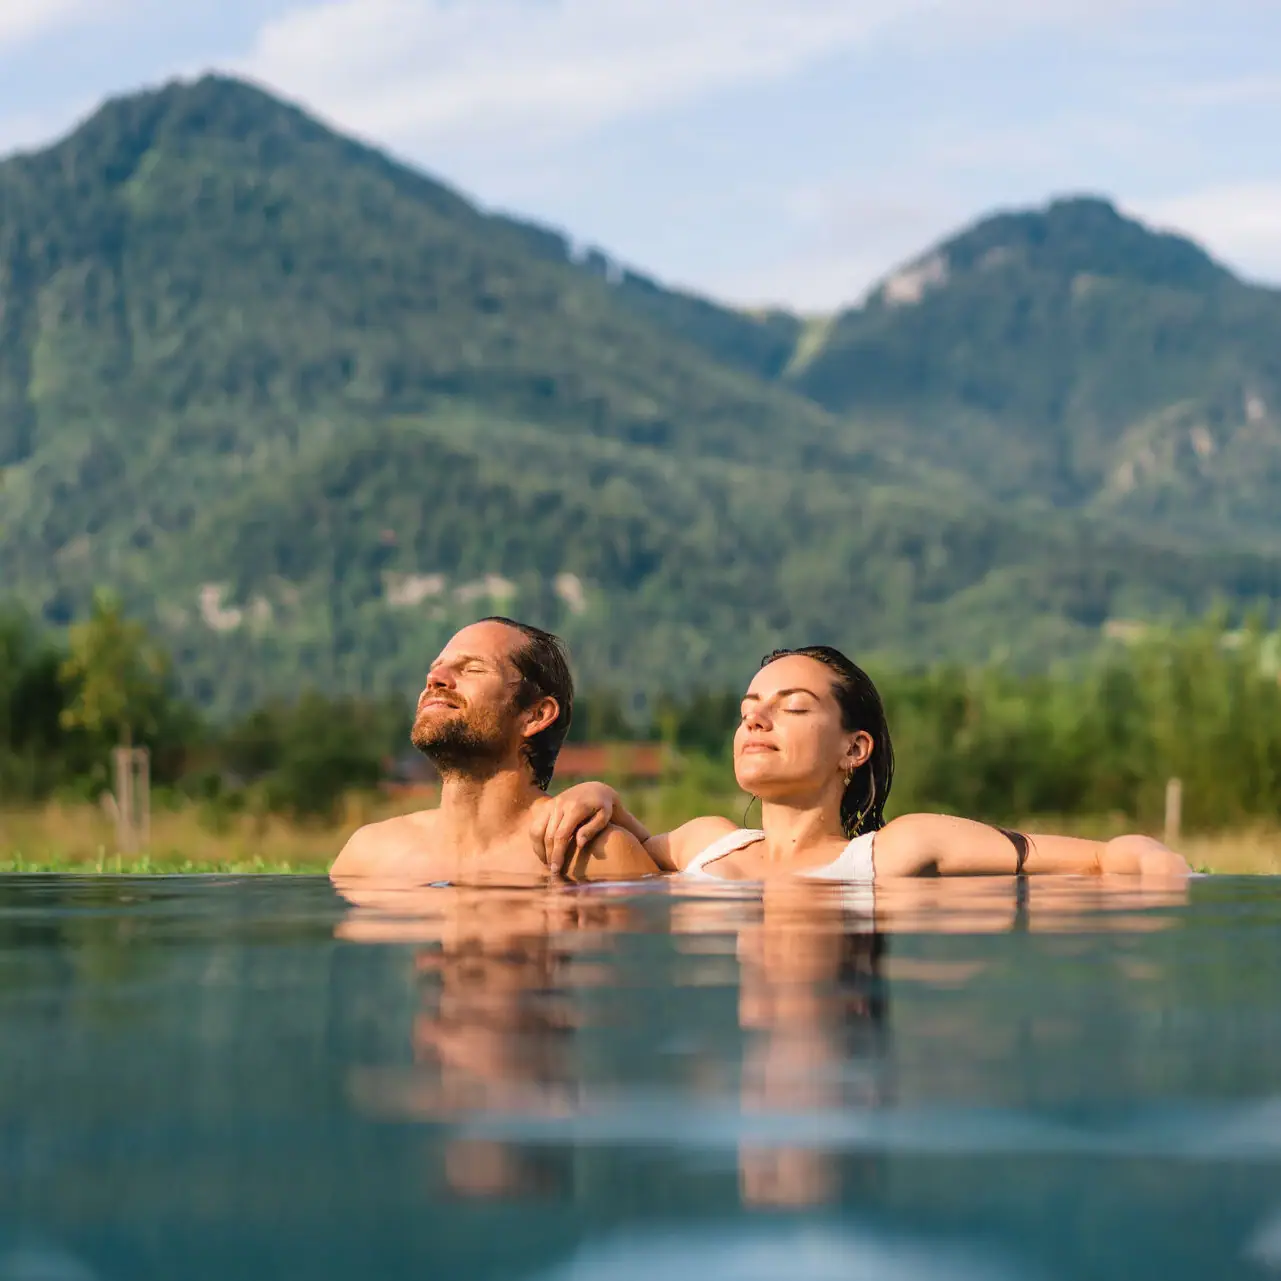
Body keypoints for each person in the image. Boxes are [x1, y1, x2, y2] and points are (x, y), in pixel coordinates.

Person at [531, 645, 1192, 882]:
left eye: (791, 706)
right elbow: (635, 840)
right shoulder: (707, 844)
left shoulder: (894, 850)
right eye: (747, 706)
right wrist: (598, 788)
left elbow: (1104, 857)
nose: (754, 720)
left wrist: (1158, 866)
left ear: (854, 748)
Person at [331, 618, 657, 884]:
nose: (435, 678)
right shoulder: (367, 855)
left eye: (472, 669)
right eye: (435, 668)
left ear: (535, 715)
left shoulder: (593, 856)